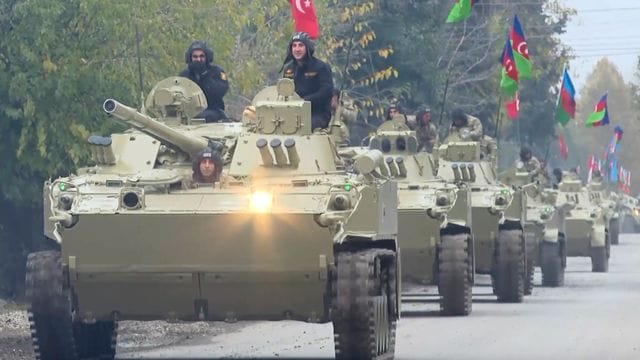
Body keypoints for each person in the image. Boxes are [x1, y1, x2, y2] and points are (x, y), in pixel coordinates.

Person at [281, 32, 334, 130]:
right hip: (293, 113)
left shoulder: (320, 67)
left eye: (301, 45)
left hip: (318, 114)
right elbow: (285, 91)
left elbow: (326, 91)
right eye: (294, 46)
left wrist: (304, 100)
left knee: (301, 127)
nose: (297, 49)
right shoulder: (289, 69)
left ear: (308, 48)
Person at [179, 41, 229, 122]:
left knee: (202, 116)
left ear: (207, 57)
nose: (198, 59)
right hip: (189, 111)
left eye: (201, 56)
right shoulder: (185, 75)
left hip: (213, 110)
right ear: (190, 58)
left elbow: (220, 91)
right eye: (195, 57)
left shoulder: (216, 72)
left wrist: (204, 76)